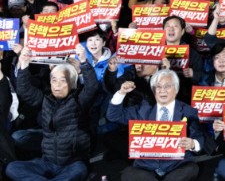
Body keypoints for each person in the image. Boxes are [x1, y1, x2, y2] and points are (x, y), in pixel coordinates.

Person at [6, 45, 99, 181]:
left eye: (63, 81)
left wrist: (84, 61)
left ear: (72, 84)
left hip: (72, 164)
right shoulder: (45, 99)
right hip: (47, 162)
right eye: (54, 80)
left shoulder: (80, 101)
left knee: (80, 170)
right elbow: (24, 90)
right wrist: (24, 63)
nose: (57, 85)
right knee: (12, 168)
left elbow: (92, 87)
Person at [107, 69, 211, 181]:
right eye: (158, 87)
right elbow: (113, 116)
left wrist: (192, 143)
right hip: (146, 167)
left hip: (176, 166)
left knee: (192, 169)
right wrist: (121, 93)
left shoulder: (188, 111)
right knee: (128, 173)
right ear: (153, 90)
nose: (162, 91)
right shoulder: (143, 109)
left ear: (176, 89)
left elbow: (199, 138)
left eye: (167, 86)